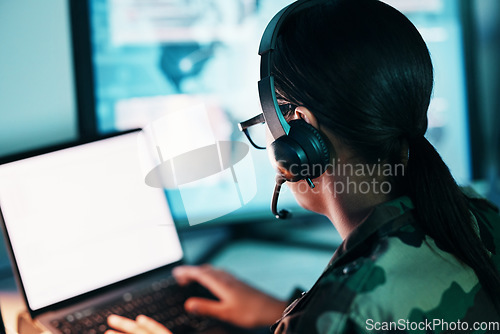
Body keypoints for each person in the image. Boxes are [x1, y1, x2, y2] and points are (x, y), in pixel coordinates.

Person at [105, 0, 500, 333]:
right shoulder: (477, 216)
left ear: (301, 138)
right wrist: (285, 312)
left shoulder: (345, 312)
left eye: (266, 120)